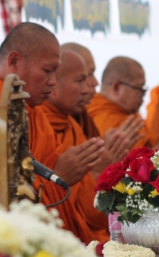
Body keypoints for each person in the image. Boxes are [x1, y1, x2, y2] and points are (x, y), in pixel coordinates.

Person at [0, 22, 102, 242]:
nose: (53, 82)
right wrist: (59, 176)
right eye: (47, 71)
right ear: (14, 61)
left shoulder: (34, 114)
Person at [41, 49, 111, 241]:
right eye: (80, 80)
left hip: (89, 233)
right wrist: (60, 177)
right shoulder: (37, 124)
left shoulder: (72, 124)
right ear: (54, 84)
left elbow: (90, 203)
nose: (89, 88)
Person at [87, 56, 159, 148]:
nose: (143, 95)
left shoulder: (127, 112)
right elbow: (129, 166)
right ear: (117, 87)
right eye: (139, 89)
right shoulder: (104, 120)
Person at [62, 42, 136, 170]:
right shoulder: (44, 121)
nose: (95, 82)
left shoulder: (82, 118)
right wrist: (100, 166)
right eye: (84, 77)